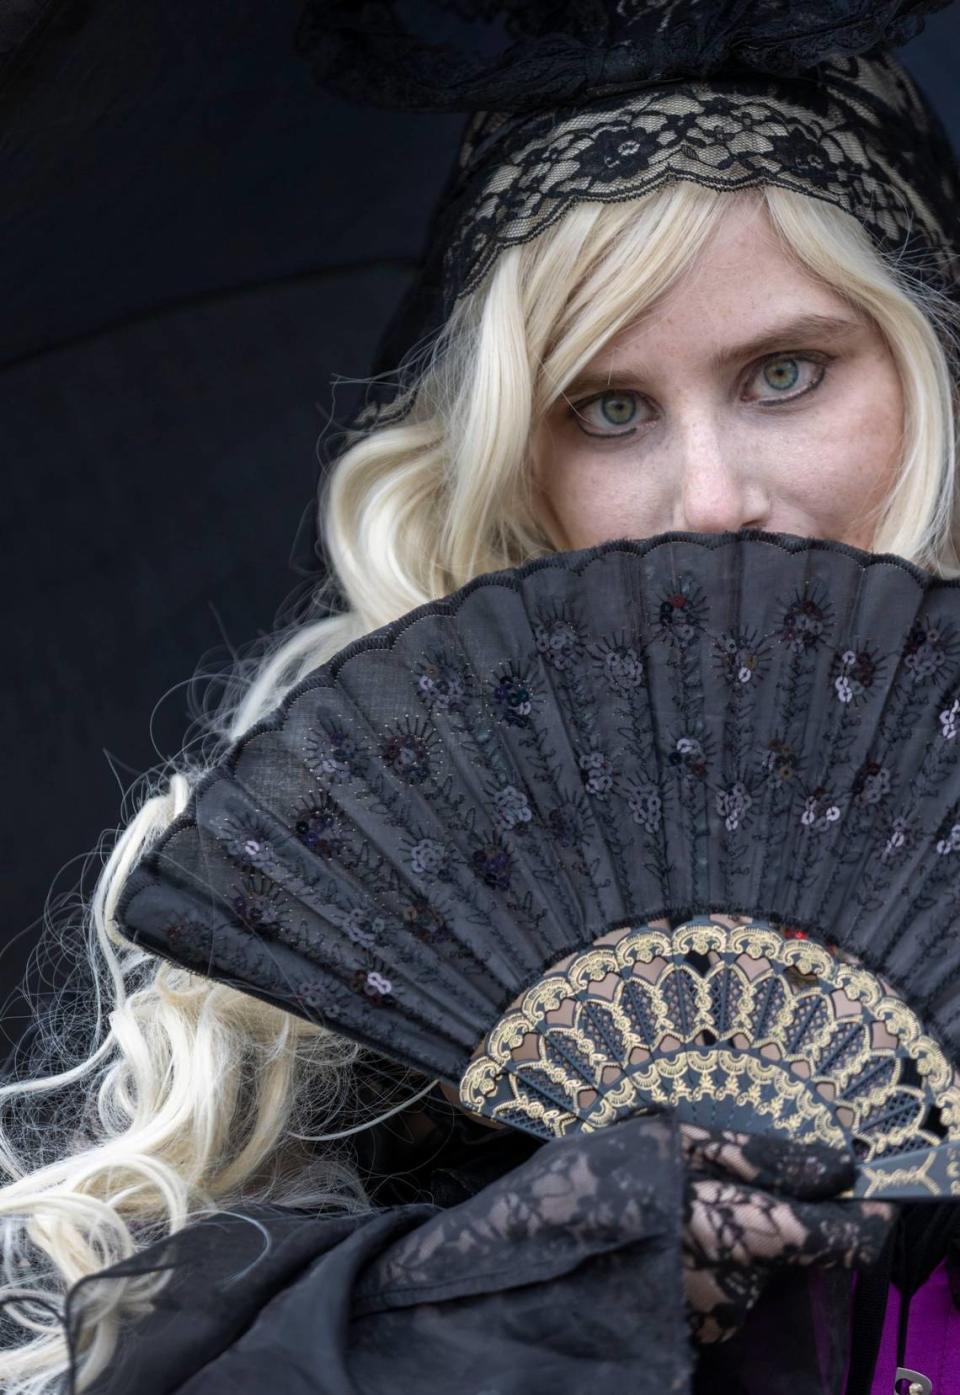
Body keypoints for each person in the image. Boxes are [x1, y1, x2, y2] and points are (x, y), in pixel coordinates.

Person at [3, 3, 960, 1392]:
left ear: (931, 369)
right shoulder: (372, 920)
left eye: (784, 374)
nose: (708, 499)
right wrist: (539, 1292)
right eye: (609, 409)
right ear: (522, 461)